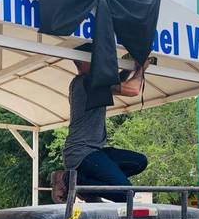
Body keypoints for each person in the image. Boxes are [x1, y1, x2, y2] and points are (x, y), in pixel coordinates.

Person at [51, 46, 149, 203]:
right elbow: (133, 90)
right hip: (81, 153)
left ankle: (87, 185)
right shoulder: (89, 82)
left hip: (95, 150)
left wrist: (128, 68)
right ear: (85, 61)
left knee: (139, 162)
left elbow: (116, 83)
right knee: (126, 193)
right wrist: (141, 68)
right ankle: (69, 179)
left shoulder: (83, 83)